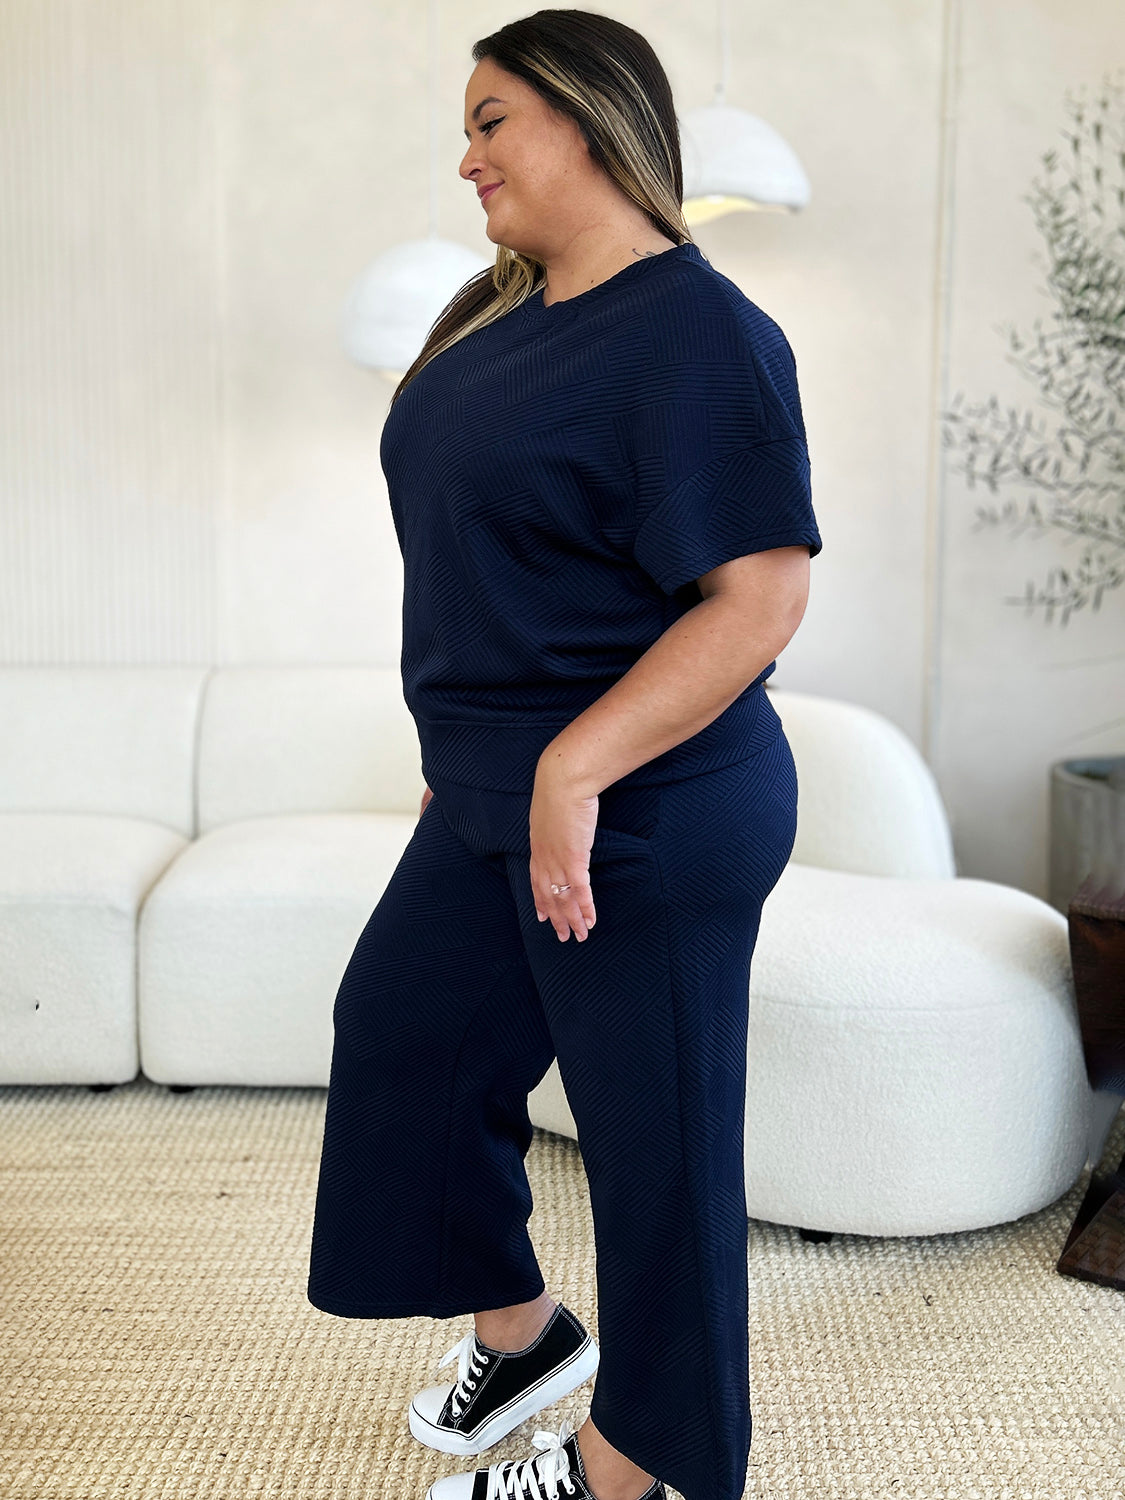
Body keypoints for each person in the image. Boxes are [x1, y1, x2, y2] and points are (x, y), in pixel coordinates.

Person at [307, 10, 823, 1500]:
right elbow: (497, 564)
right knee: (404, 1043)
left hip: (644, 808)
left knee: (657, 1161)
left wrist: (571, 766)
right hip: (496, 789)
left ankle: (633, 1471)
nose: (463, 155)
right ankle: (526, 1340)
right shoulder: (497, 308)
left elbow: (762, 594)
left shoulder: (701, 331)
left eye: (490, 120)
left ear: (589, 120)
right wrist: (472, 746)